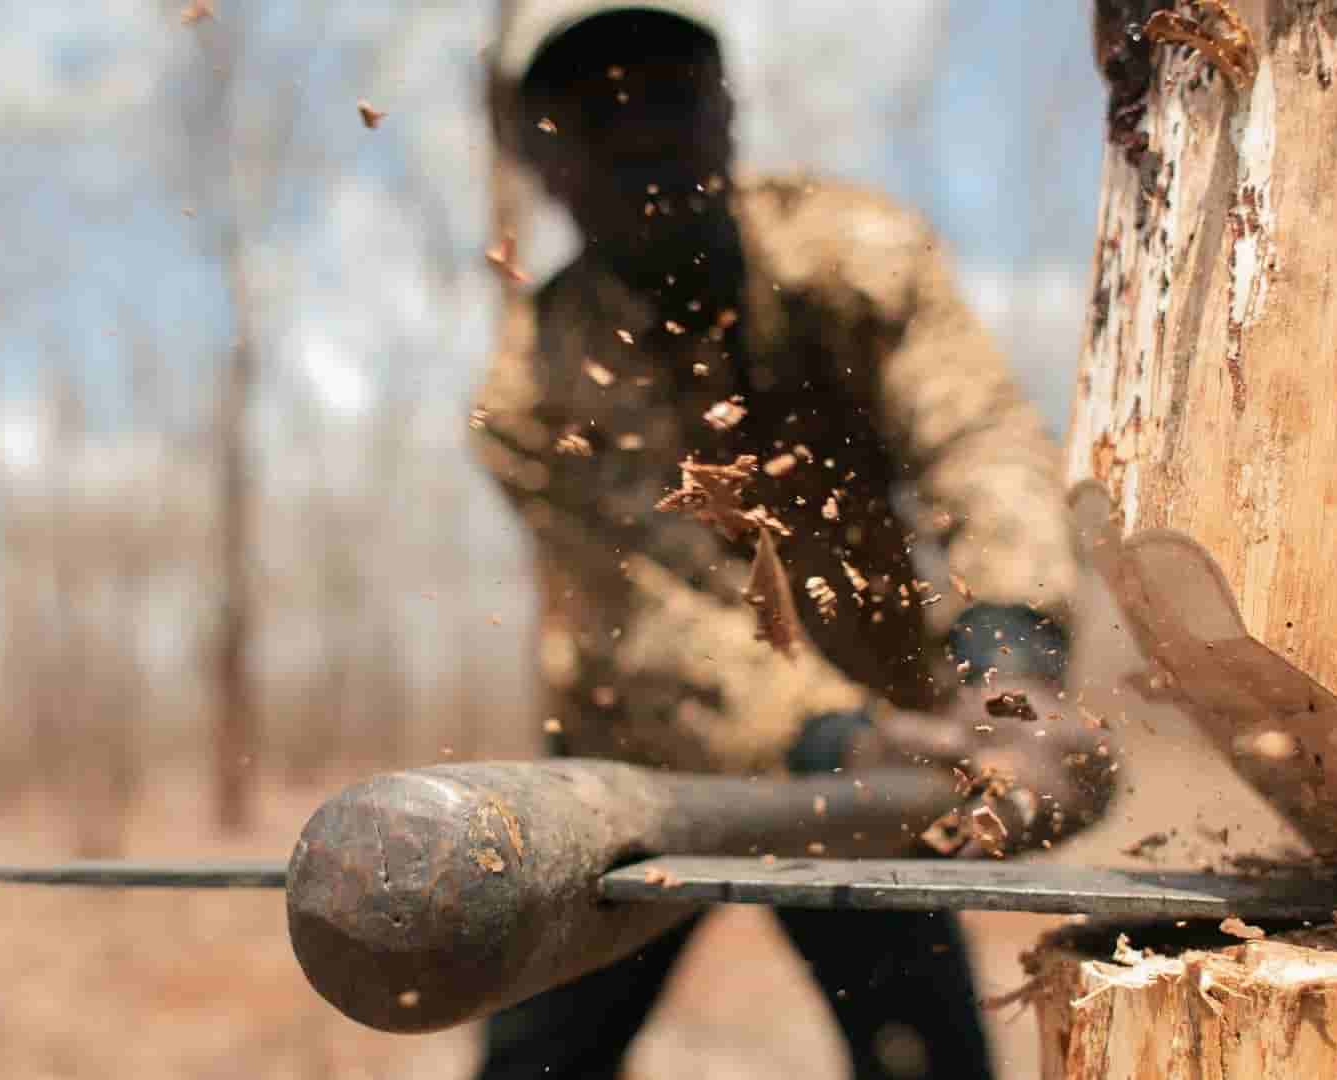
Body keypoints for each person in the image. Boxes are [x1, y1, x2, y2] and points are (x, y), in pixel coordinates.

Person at [471, 4, 1113, 1076]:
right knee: (539, 1065)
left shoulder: (856, 260)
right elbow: (652, 625)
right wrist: (847, 741)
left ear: (726, 111)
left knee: (927, 1059)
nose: (639, 136)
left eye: (668, 94)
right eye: (594, 112)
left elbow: (979, 445)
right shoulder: (531, 392)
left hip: (882, 770)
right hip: (635, 773)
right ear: (542, 156)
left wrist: (1011, 674)